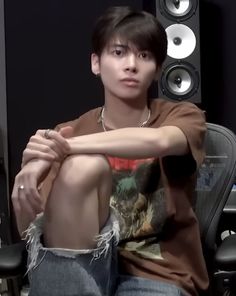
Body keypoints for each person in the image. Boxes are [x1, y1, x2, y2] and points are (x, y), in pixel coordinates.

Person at [11, 6, 209, 296]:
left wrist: (62, 149)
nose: (131, 65)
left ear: (157, 70)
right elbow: (36, 232)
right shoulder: (69, 129)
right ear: (96, 62)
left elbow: (160, 142)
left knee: (80, 162)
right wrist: (27, 177)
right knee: (82, 168)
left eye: (144, 55)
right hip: (82, 271)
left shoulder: (182, 115)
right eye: (118, 53)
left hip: (157, 275)